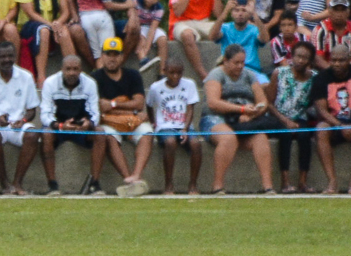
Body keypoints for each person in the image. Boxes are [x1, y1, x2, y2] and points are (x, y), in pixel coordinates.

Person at [204, 44, 276, 194]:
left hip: (243, 121)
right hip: (216, 118)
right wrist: (241, 109)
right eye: (236, 63)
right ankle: (217, 186)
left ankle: (267, 186)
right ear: (226, 61)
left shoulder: (249, 75)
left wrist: (252, 114)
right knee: (228, 138)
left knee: (260, 138)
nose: (240, 66)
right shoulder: (216, 74)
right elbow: (213, 102)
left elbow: (263, 103)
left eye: (242, 62)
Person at [0, 40, 39, 195]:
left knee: (33, 134)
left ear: (15, 56)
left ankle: (17, 183)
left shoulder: (26, 76)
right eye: (3, 57)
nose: (7, 60)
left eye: (10, 56)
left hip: (17, 124)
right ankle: (5, 183)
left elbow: (32, 110)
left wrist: (23, 121)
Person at [90, 37, 149, 196]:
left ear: (122, 56)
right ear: (102, 56)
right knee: (108, 136)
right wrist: (131, 113)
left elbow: (139, 103)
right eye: (108, 54)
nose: (112, 58)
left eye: (116, 54)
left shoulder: (133, 75)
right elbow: (101, 107)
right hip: (110, 122)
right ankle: (128, 179)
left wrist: (114, 105)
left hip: (131, 121)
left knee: (147, 133)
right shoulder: (95, 77)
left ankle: (136, 176)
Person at [38, 56, 100, 196]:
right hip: (59, 129)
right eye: (68, 69)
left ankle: (94, 184)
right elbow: (45, 115)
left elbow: (95, 113)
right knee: (46, 133)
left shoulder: (90, 83)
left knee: (100, 133)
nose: (72, 72)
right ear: (62, 70)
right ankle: (52, 185)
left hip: (81, 129)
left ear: (81, 70)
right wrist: (60, 125)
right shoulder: (50, 83)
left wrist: (88, 123)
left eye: (75, 69)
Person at [146, 57, 205, 195]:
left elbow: (190, 108)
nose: (175, 76)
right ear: (165, 71)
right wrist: (153, 122)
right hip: (164, 126)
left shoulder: (189, 84)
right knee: (170, 142)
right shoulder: (156, 87)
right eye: (172, 73)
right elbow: (149, 105)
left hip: (184, 125)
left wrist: (185, 128)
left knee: (196, 144)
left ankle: (193, 184)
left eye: (179, 73)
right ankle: (168, 184)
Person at [17, 0, 76, 85]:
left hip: (53, 24)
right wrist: (51, 25)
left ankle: (74, 72)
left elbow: (65, 11)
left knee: (64, 32)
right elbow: (30, 12)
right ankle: (41, 78)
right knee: (43, 30)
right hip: (30, 25)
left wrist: (58, 23)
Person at [310, 43, 351, 194]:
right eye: (334, 60)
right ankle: (332, 182)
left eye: (341, 60)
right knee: (321, 129)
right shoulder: (321, 78)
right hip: (334, 122)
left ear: (349, 60)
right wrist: (340, 126)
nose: (336, 64)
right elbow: (322, 110)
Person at [269, 41, 318, 192]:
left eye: (305, 57)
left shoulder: (314, 77)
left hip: (300, 118)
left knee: (305, 135)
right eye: (298, 56)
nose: (300, 60)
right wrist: (285, 120)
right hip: (278, 116)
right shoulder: (279, 73)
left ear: (310, 60)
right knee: (285, 134)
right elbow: (269, 103)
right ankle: (285, 182)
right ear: (292, 56)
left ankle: (302, 182)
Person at [167, 0, 223, 77]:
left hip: (203, 21)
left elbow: (219, 14)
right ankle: (202, 73)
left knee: (226, 31)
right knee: (187, 35)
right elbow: (177, 11)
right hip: (181, 22)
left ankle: (223, 69)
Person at [216, 0, 267, 74]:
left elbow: (265, 39)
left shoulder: (254, 29)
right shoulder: (225, 28)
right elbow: (212, 36)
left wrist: (254, 13)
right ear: (232, 13)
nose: (240, 14)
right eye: (236, 10)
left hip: (251, 69)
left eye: (244, 10)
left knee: (265, 85)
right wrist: (225, 11)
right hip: (228, 69)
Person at [132, 0, 168, 70]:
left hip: (150, 27)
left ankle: (162, 71)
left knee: (163, 39)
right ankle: (143, 59)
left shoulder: (159, 9)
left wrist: (147, 48)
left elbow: (153, 28)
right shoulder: (135, 0)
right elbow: (134, 19)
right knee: (141, 37)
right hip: (138, 25)